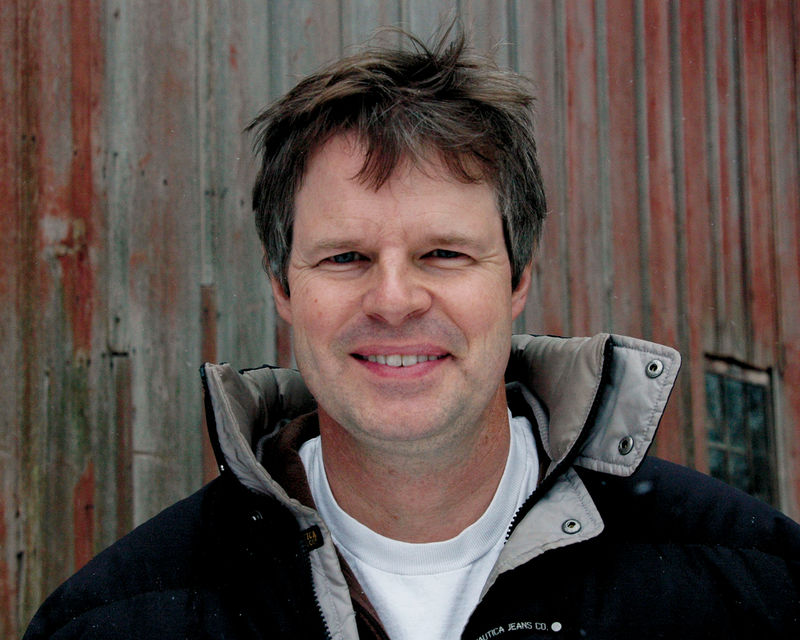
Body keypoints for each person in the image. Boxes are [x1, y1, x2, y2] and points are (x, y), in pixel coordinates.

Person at [25, 28, 800, 640]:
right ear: (283, 288)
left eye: (444, 254)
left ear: (518, 278)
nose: (393, 300)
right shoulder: (115, 620)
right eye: (346, 257)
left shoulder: (759, 586)